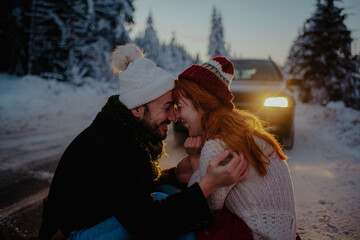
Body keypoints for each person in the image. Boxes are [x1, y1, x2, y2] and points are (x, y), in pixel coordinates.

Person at [37, 44, 249, 240]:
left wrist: (175, 175)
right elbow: (147, 223)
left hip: (97, 221)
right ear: (137, 109)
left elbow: (130, 191)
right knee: (170, 216)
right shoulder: (112, 144)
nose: (174, 117)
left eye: (174, 108)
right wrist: (208, 184)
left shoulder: (122, 129)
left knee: (167, 192)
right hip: (73, 234)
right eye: (167, 107)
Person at [173, 56, 297, 240]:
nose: (176, 116)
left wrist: (195, 160)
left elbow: (207, 205)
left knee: (182, 221)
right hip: (282, 233)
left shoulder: (216, 145)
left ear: (202, 104)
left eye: (180, 107)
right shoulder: (244, 134)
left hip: (259, 236)